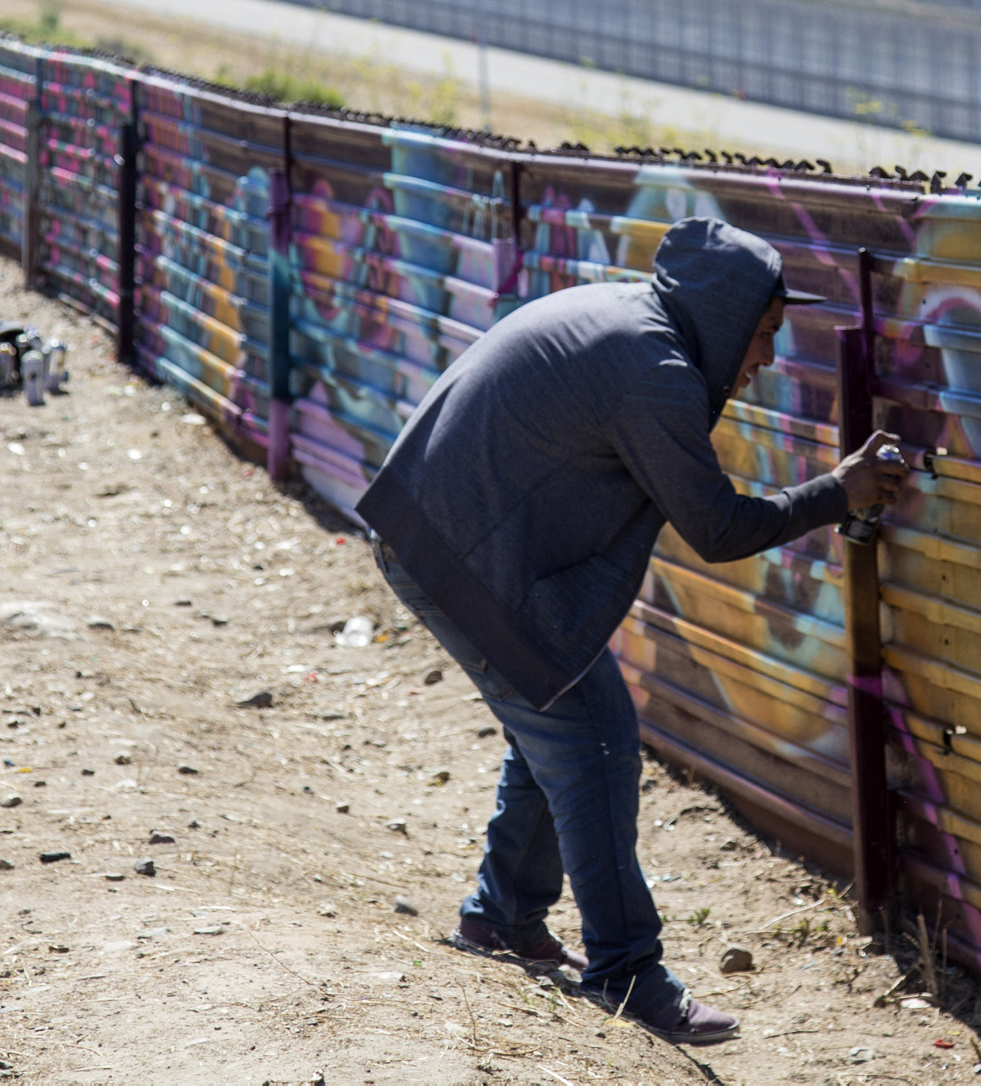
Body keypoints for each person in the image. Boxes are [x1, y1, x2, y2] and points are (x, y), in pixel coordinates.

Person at [357, 216, 907, 1045]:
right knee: (596, 741)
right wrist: (841, 490)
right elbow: (716, 529)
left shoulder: (633, 319)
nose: (761, 361)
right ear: (723, 318)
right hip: (462, 554)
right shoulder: (652, 371)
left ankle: (502, 913)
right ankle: (625, 969)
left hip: (440, 532)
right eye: (761, 336)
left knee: (556, 718)